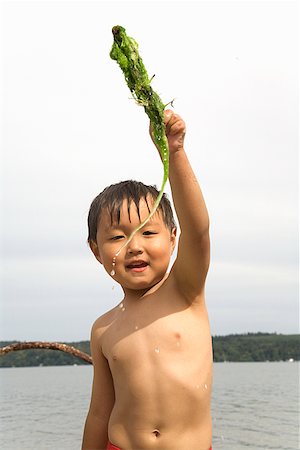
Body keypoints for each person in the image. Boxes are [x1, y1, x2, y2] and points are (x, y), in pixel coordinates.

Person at [82, 110, 212, 450]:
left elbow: (198, 229)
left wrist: (174, 152)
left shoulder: (186, 290)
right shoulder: (103, 329)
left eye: (148, 232)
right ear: (96, 251)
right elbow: (99, 412)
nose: (134, 246)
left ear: (172, 238)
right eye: (117, 237)